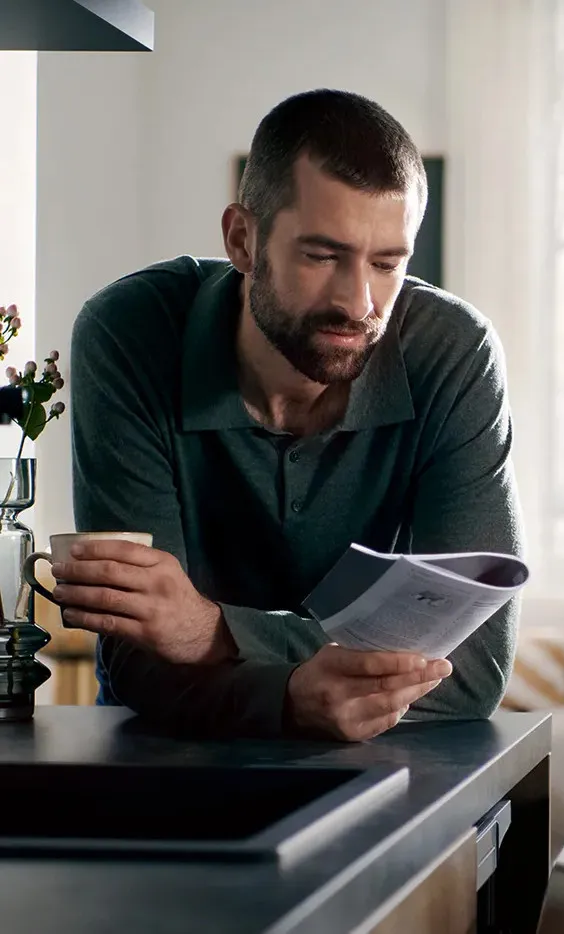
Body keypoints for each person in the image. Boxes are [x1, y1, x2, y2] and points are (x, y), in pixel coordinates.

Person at [59, 89, 523, 741]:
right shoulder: (131, 332)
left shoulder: (452, 352)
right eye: (322, 256)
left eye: (387, 264)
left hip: (381, 761)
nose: (359, 301)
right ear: (242, 240)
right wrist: (290, 697)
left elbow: (472, 673)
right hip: (166, 759)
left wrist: (212, 631)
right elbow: (140, 659)